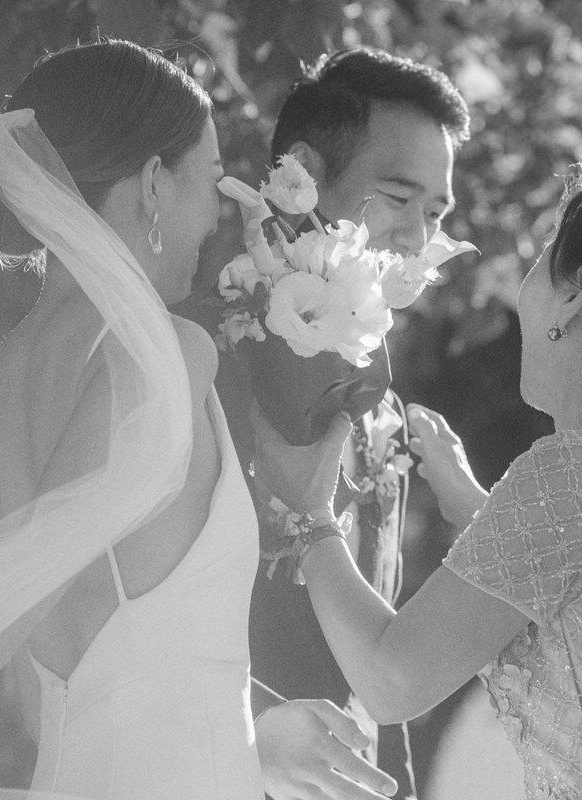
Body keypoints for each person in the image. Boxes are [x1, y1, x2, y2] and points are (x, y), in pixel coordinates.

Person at [0, 39, 376, 800]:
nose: (216, 214)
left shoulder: (2, 385)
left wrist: (252, 735)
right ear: (150, 184)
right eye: (207, 182)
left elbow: (85, 623)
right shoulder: (167, 355)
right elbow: (39, 592)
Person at [253, 153, 582, 799]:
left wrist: (311, 514)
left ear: (574, 293)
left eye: (542, 254)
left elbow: (390, 680)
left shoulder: (581, 472)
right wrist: (475, 503)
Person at [194, 47, 471, 800]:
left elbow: (375, 651)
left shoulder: (377, 394)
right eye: (397, 196)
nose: (417, 239)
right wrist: (247, 730)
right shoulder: (199, 359)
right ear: (305, 172)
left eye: (437, 213)